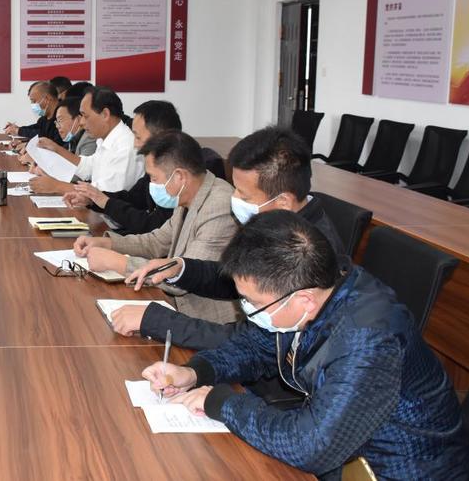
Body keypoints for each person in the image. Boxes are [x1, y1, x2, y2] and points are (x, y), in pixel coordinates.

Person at [145, 211, 469, 480]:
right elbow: (255, 346)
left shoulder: (368, 339)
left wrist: (223, 403)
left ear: (303, 300)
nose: (246, 309)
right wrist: (195, 372)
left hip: (402, 469)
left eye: (251, 302)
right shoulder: (315, 286)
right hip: (347, 451)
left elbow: (312, 447)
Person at [111, 127, 349, 349]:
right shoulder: (278, 221)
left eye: (244, 195)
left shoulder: (307, 252)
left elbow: (258, 343)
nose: (233, 198)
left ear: (283, 201)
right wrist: (181, 269)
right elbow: (231, 278)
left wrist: (159, 322)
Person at [74, 131, 239, 324]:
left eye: (153, 178)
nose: (151, 185)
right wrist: (108, 243)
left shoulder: (218, 206)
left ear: (179, 176)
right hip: (175, 305)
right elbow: (156, 241)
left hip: (204, 321)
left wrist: (118, 263)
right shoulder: (189, 194)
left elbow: (185, 277)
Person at [63, 100, 181, 234]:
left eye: (138, 137)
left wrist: (105, 202)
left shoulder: (177, 176)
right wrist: (93, 199)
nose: (135, 144)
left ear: (161, 138)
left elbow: (153, 226)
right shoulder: (156, 168)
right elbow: (133, 198)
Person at [30, 86, 142, 194]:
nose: (81, 122)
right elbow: (88, 167)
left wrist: (56, 186)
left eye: (85, 116)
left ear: (105, 114)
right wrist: (56, 149)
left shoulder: (125, 147)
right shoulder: (105, 139)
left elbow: (107, 194)